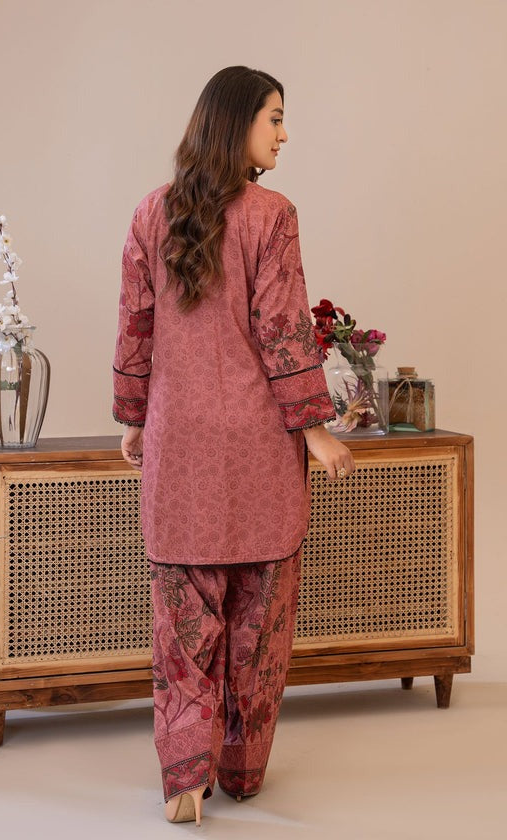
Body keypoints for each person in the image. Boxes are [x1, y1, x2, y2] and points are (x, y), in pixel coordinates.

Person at [112, 66, 355, 826]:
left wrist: (133, 417)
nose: (284, 134)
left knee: (182, 630)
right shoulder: (271, 215)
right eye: (274, 118)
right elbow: (283, 327)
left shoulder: (150, 212)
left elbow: (135, 326)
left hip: (178, 449)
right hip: (257, 450)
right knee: (259, 628)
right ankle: (244, 774)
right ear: (236, 121)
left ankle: (186, 780)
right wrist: (316, 429)